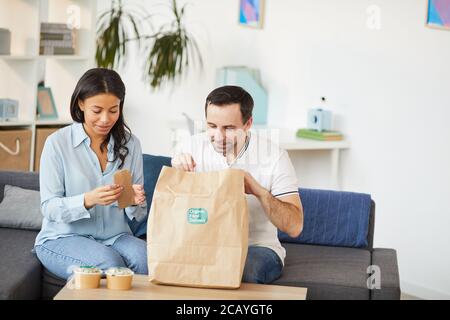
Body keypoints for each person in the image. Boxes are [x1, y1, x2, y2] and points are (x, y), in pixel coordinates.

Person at [172, 85, 304, 284]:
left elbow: (294, 227)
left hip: (257, 247)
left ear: (248, 123)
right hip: (202, 243)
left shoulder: (275, 157)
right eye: (212, 126)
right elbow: (173, 211)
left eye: (229, 128)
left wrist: (259, 192)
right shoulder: (190, 147)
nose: (218, 136)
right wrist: (178, 177)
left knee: (241, 269)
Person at [34, 68, 148, 280]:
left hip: (116, 236)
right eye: (97, 110)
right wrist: (87, 200)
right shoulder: (57, 144)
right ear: (81, 104)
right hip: (63, 237)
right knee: (109, 263)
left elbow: (139, 214)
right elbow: (49, 208)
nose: (105, 119)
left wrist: (134, 201)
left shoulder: (131, 145)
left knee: (147, 260)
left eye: (113, 110)